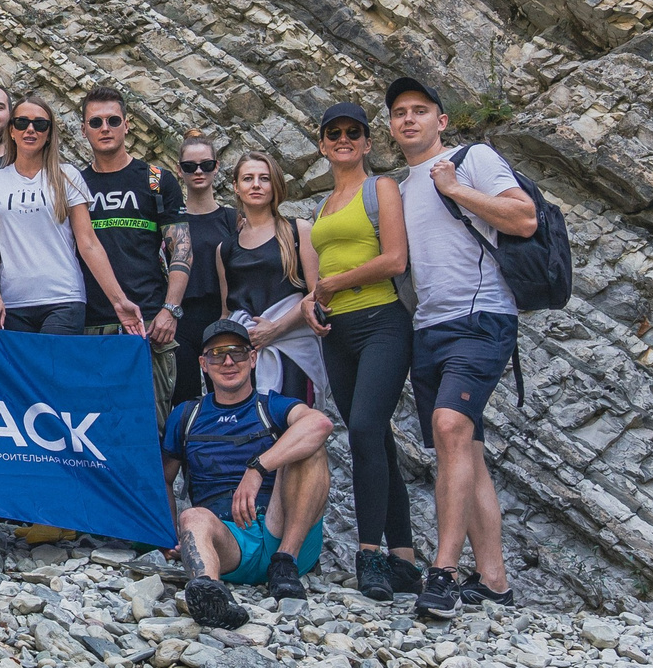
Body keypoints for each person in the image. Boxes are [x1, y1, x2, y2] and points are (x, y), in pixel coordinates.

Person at [388, 75, 536, 616]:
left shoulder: (473, 160)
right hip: (428, 328)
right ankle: (495, 581)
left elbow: (523, 218)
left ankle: (443, 573)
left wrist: (454, 189)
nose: (409, 119)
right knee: (463, 447)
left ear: (441, 121)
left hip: (482, 317)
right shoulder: (400, 189)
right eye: (400, 112)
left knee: (450, 427)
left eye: (420, 110)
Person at [306, 106, 416, 601]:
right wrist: (313, 303)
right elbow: (318, 278)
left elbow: (395, 258)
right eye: (335, 134)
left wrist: (333, 285)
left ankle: (369, 555)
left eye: (354, 132)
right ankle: (406, 560)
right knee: (374, 440)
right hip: (337, 333)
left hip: (382, 322)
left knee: (368, 429)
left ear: (368, 143)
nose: (344, 139)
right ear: (323, 145)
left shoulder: (382, 189)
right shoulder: (325, 206)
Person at [162, 319, 335, 629]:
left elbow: (320, 424)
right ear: (203, 364)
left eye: (238, 352)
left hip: (281, 525)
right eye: (217, 354)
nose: (228, 361)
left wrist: (257, 469)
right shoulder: (187, 415)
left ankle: (285, 562)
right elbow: (163, 479)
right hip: (228, 540)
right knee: (192, 517)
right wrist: (168, 537)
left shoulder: (272, 406)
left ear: (253, 358)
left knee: (307, 445)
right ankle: (210, 594)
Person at [0, 95, 137, 337]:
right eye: (22, 123)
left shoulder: (67, 176)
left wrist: (119, 300)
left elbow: (88, 243)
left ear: (49, 133)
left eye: (40, 124)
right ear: (11, 131)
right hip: (13, 303)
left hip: (64, 297)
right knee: (24, 375)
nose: (30, 130)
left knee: (53, 371)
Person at [78, 86, 189, 419]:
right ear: (83, 130)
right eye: (95, 122)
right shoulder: (74, 185)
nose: (105, 128)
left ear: (127, 125)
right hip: (90, 327)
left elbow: (181, 249)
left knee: (151, 430)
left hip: (149, 323)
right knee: (96, 432)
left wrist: (171, 310)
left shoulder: (157, 180)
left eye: (113, 120)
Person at [220, 151, 329, 404]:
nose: (256, 184)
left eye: (264, 178)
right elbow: (226, 311)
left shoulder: (298, 231)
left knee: (298, 423)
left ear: (275, 185)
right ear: (236, 187)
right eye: (248, 178)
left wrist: (275, 330)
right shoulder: (225, 248)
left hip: (294, 347)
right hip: (244, 353)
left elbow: (317, 294)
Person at [170, 133, 235, 410]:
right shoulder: (171, 220)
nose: (198, 171)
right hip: (180, 319)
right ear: (179, 170)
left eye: (205, 165)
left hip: (222, 315)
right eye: (190, 166)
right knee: (183, 400)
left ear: (216, 167)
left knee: (229, 394)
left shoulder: (232, 218)